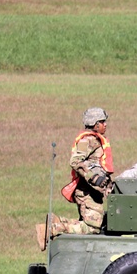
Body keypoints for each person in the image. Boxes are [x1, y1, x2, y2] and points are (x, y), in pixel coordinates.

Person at [37, 107, 114, 250]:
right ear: (95, 124)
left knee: (93, 222)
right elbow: (75, 161)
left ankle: (58, 221)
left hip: (92, 191)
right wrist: (94, 178)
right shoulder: (88, 140)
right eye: (103, 122)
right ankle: (51, 230)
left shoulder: (95, 140)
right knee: (92, 228)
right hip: (86, 191)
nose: (106, 125)